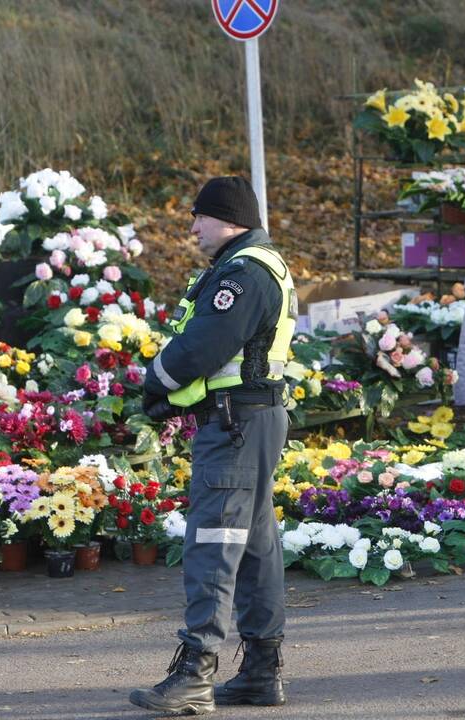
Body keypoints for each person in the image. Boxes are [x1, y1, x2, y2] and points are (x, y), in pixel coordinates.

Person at [130, 176, 296, 715]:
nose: (193, 227)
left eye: (199, 216)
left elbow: (202, 346)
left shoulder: (243, 275)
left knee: (213, 544)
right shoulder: (255, 265)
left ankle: (195, 673)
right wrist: (176, 399)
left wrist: (155, 384)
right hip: (251, 421)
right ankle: (260, 671)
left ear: (228, 218)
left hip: (235, 430)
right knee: (254, 547)